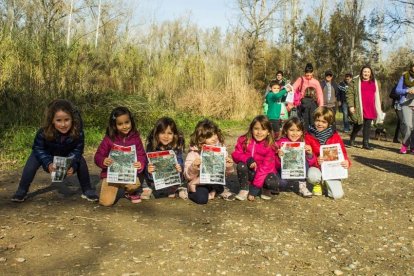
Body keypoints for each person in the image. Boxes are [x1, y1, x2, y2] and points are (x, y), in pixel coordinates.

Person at [11, 99, 98, 202]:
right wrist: (48, 163)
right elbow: (38, 149)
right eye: (58, 120)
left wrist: (73, 166)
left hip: (65, 155)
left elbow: (77, 151)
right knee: (32, 161)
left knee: (81, 161)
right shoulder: (43, 132)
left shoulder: (78, 133)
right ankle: (22, 190)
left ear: (72, 119)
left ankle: (87, 190)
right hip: (46, 155)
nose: (63, 124)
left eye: (67, 120)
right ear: (52, 120)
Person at [94, 107, 147, 206]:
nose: (124, 126)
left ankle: (130, 192)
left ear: (131, 121)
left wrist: (140, 163)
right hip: (111, 177)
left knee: (136, 184)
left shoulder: (136, 138)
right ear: (114, 125)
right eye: (120, 124)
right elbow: (98, 156)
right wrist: (103, 160)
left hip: (128, 175)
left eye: (127, 122)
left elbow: (141, 154)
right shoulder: (109, 139)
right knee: (106, 203)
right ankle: (102, 186)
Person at [184, 119, 235, 204]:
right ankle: (190, 190)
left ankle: (216, 190)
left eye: (215, 134)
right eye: (209, 136)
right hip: (199, 183)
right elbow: (187, 176)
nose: (214, 138)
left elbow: (226, 175)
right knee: (202, 199)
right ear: (201, 139)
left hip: (214, 182)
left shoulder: (221, 151)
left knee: (219, 186)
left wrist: (228, 166)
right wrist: (194, 166)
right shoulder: (193, 153)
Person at [305, 107, 350, 199]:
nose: (320, 124)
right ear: (314, 120)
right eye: (318, 120)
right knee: (312, 175)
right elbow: (306, 158)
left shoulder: (335, 136)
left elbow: (342, 152)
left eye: (324, 122)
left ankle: (327, 183)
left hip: (331, 170)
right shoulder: (308, 135)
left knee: (337, 195)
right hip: (315, 167)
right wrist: (315, 159)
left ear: (329, 123)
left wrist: (346, 162)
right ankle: (317, 183)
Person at [232, 115, 280, 201]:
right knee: (241, 165)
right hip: (250, 172)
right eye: (256, 129)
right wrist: (247, 159)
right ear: (251, 129)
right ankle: (244, 188)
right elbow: (236, 154)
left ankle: (265, 188)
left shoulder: (271, 146)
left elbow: (264, 169)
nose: (259, 132)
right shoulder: (244, 140)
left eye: (263, 129)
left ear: (268, 132)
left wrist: (254, 190)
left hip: (264, 173)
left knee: (272, 182)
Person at [143, 117, 187, 199]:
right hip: (155, 180)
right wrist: (148, 170)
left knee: (180, 178)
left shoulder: (177, 148)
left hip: (171, 180)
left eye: (170, 133)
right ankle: (149, 189)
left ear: (174, 135)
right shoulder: (151, 147)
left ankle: (177, 189)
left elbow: (180, 163)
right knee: (143, 177)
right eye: (162, 133)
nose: (166, 136)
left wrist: (179, 168)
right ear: (156, 134)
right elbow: (146, 165)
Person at [276, 117, 316, 197]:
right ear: (286, 131)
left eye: (298, 130)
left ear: (302, 132)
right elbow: (274, 164)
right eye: (291, 130)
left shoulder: (303, 143)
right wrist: (278, 157)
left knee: (303, 159)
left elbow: (311, 163)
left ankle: (302, 185)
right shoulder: (280, 143)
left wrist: (310, 154)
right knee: (280, 184)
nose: (295, 133)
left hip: (298, 173)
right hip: (284, 172)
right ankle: (291, 185)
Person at [346, 65, 383, 150]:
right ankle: (352, 137)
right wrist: (351, 106)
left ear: (371, 73)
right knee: (358, 124)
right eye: (364, 71)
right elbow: (349, 94)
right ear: (361, 72)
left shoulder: (376, 82)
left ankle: (365, 143)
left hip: (370, 107)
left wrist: (379, 107)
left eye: (368, 72)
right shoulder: (354, 82)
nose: (366, 73)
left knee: (368, 125)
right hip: (359, 107)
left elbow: (378, 95)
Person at [395, 62, 414, 154]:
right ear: (411, 67)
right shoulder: (404, 77)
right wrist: (407, 90)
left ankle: (413, 146)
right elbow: (397, 91)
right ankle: (405, 144)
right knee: (408, 126)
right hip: (406, 104)